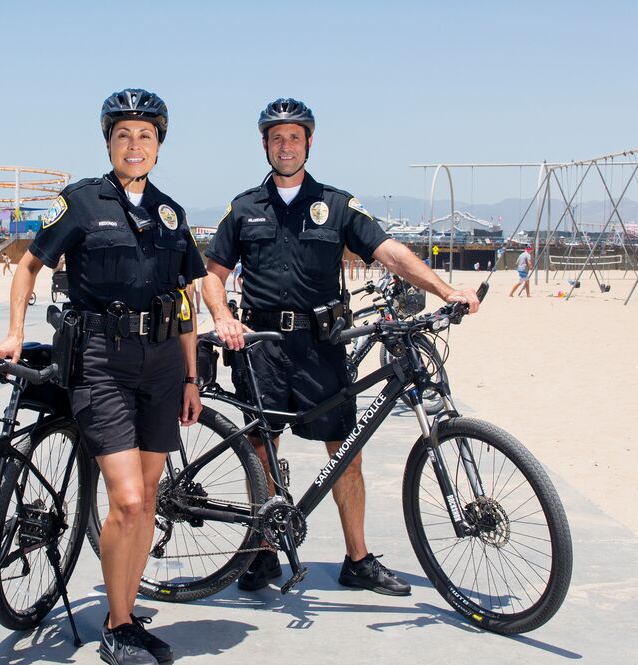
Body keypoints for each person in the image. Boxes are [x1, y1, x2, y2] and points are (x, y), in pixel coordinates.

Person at [201, 97, 480, 596]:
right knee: (263, 452)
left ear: (309, 142)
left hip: (322, 345)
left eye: (294, 137)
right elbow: (214, 275)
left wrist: (444, 289)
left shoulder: (337, 203)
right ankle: (263, 553)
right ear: (264, 145)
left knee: (346, 454)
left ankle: (358, 558)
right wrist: (222, 316)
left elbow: (388, 251)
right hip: (261, 346)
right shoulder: (244, 209)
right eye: (276, 137)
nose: (285, 146)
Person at [0, 88, 205, 665]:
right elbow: (29, 265)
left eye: (145, 137)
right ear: (109, 143)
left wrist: (191, 375)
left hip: (163, 365)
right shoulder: (81, 203)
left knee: (148, 503)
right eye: (123, 136)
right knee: (128, 500)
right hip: (101, 363)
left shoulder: (170, 213)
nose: (134, 146)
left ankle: (126, 612)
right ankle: (115, 626)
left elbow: (187, 297)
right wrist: (14, 330)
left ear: (159, 147)